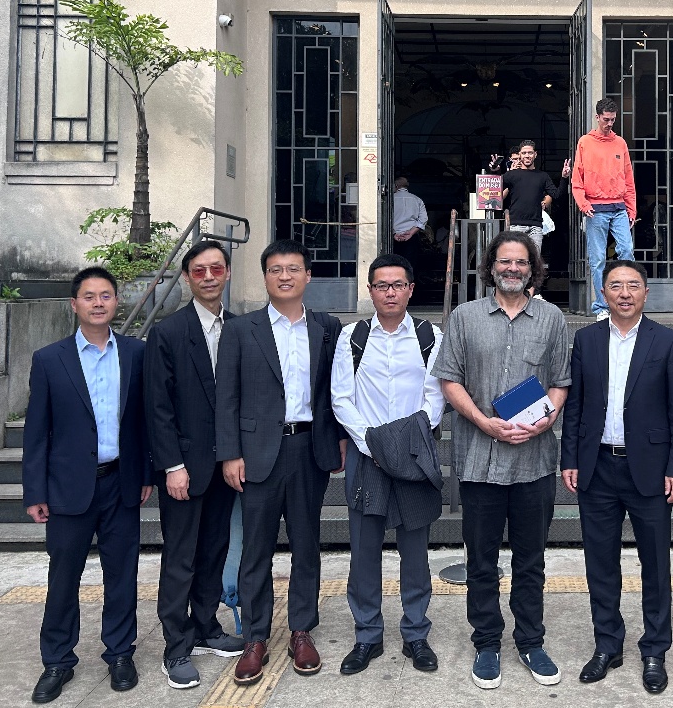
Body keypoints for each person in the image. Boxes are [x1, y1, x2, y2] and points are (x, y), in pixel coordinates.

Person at [431, 230, 571, 690]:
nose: (513, 269)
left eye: (521, 262)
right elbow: (449, 380)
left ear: (533, 270)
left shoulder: (552, 318)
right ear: (491, 267)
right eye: (505, 262)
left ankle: (531, 641)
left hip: (534, 460)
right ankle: (487, 643)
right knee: (481, 560)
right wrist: (483, 422)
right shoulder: (465, 317)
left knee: (531, 560)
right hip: (480, 459)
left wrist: (546, 420)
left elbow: (560, 381)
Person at [215, 240, 345, 685]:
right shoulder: (241, 329)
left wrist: (339, 438)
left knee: (307, 545)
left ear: (308, 275)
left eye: (293, 269)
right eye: (275, 270)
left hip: (309, 449)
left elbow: (335, 390)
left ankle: (301, 630)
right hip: (256, 454)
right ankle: (255, 636)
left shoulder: (327, 327)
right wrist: (230, 453)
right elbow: (227, 396)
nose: (284, 276)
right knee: (256, 549)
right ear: (265, 277)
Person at [22, 267, 153, 704]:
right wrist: (35, 491)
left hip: (121, 483)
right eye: (90, 296)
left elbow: (143, 422)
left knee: (122, 574)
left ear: (116, 301)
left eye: (106, 295)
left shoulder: (136, 353)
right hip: (67, 488)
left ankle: (120, 653)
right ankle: (57, 661)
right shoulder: (49, 359)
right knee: (63, 578)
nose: (99, 303)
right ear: (74, 304)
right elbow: (37, 431)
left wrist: (145, 473)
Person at [561, 260, 673, 694]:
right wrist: (570, 458)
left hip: (650, 469)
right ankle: (607, 645)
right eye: (615, 285)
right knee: (600, 564)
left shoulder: (667, 341)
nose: (624, 293)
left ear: (645, 293)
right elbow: (575, 406)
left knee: (655, 565)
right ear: (603, 292)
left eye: (633, 285)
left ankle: (655, 650)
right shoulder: (586, 339)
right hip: (597, 466)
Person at [331, 253, 445, 676]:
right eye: (382, 285)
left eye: (398, 285)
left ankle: (416, 634)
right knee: (364, 552)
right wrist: (374, 445)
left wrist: (403, 444)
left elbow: (436, 397)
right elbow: (341, 397)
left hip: (415, 458)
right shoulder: (352, 337)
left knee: (415, 553)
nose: (390, 292)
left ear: (411, 289)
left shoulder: (430, 336)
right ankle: (367, 635)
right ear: (370, 290)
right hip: (367, 458)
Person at [145, 240, 244, 688]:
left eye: (216, 269)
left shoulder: (240, 328)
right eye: (199, 270)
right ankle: (176, 646)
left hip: (227, 466)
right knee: (180, 558)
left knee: (214, 551)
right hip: (185, 468)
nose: (208, 277)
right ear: (187, 277)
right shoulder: (168, 332)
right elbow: (158, 407)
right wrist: (171, 466)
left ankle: (205, 626)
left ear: (227, 273)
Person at [571, 98, 636, 320]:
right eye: (606, 119)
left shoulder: (620, 143)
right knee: (598, 259)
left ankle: (625, 301)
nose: (609, 123)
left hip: (618, 206)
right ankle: (601, 307)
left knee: (627, 251)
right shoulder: (585, 142)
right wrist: (583, 203)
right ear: (597, 117)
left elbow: (628, 179)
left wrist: (632, 209)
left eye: (613, 120)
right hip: (595, 207)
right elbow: (577, 177)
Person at [502, 139, 570, 253]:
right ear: (520, 155)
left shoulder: (543, 176)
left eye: (530, 153)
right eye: (524, 153)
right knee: (517, 259)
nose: (527, 156)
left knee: (535, 260)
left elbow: (557, 195)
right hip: (516, 225)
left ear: (535, 154)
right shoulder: (511, 175)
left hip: (536, 226)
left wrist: (564, 177)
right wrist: (495, 170)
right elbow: (495, 192)